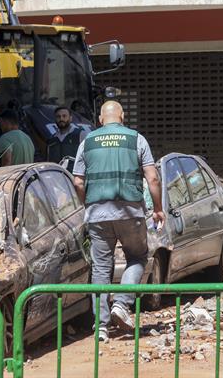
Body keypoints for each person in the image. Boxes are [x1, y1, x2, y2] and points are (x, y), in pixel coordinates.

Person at [73, 100, 164, 342]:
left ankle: (101, 326)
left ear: (101, 119)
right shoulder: (136, 139)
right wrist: (158, 208)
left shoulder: (87, 142)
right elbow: (153, 178)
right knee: (138, 257)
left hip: (97, 214)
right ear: (122, 116)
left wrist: (88, 204)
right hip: (130, 212)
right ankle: (122, 304)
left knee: (101, 268)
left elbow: (78, 182)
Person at [46, 106, 87, 171]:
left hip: (74, 177)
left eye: (64, 116)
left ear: (70, 118)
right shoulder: (52, 140)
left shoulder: (80, 134)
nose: (61, 119)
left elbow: (87, 157)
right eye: (58, 116)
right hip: (56, 177)